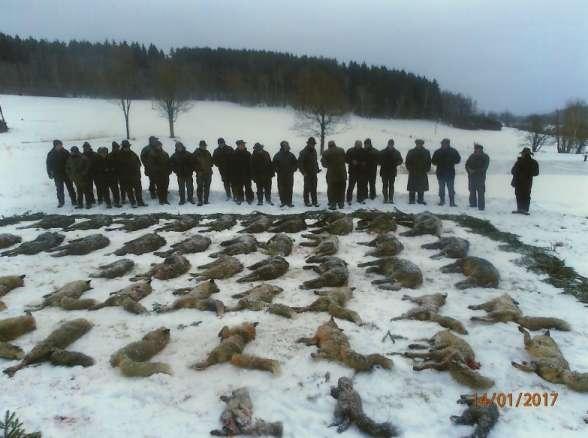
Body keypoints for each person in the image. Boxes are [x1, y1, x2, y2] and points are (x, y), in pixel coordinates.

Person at [46, 139, 77, 208]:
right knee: (59, 189)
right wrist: (49, 173)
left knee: (70, 188)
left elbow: (70, 161)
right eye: (59, 145)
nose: (61, 146)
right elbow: (48, 165)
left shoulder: (65, 152)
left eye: (61, 145)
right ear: (55, 146)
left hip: (66, 174)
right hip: (57, 174)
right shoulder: (51, 154)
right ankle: (61, 202)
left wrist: (71, 171)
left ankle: (74, 201)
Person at [432, 138, 461, 206]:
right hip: (440, 173)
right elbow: (433, 161)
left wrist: (451, 161)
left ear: (448, 144)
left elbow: (458, 160)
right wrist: (438, 162)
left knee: (451, 188)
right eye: (443, 143)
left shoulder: (453, 151)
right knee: (441, 188)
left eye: (445, 143)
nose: (444, 145)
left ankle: (452, 202)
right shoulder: (437, 152)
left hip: (450, 173)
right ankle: (442, 201)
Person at [511, 147, 539, 215]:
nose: (523, 155)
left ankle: (524, 209)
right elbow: (513, 171)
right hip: (521, 181)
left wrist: (526, 173)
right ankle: (521, 209)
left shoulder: (532, 162)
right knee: (521, 194)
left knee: (524, 195)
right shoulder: (520, 161)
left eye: (524, 154)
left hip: (525, 181)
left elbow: (536, 173)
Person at [321, 140, 347, 210]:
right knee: (341, 188)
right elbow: (345, 159)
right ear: (335, 144)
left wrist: (330, 165)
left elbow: (324, 164)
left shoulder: (326, 152)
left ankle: (333, 204)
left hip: (332, 174)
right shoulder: (341, 150)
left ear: (329, 145)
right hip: (342, 173)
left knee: (332, 189)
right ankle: (341, 203)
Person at [118, 140, 146, 207]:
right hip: (125, 176)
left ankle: (140, 202)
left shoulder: (133, 153)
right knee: (129, 190)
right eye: (125, 147)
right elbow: (118, 167)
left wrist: (138, 173)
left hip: (135, 176)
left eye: (128, 147)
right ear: (123, 147)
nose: (127, 148)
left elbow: (139, 163)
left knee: (138, 189)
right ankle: (133, 202)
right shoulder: (119, 155)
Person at [405, 139, 432, 205]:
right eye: (418, 144)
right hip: (413, 172)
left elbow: (429, 162)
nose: (419, 145)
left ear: (422, 144)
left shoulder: (426, 152)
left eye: (420, 144)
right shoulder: (411, 151)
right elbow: (407, 162)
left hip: (422, 172)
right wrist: (410, 169)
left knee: (421, 187)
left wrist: (427, 169)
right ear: (416, 144)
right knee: (412, 187)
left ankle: (420, 200)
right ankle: (411, 200)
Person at [272, 141, 298, 207]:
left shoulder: (291, 155)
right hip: (281, 175)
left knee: (289, 188)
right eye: (285, 145)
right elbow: (274, 164)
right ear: (282, 146)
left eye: (287, 145)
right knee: (281, 188)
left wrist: (293, 169)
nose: (286, 146)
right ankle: (283, 202)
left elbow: (296, 163)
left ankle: (289, 202)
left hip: (289, 175)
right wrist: (278, 170)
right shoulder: (277, 155)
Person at [465, 143, 490, 211]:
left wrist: (475, 171)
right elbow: (466, 164)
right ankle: (472, 204)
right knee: (472, 191)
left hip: (480, 177)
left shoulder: (485, 156)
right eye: (475, 149)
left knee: (481, 192)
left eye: (478, 149)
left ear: (481, 149)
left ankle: (481, 207)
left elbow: (484, 168)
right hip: (471, 177)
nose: (476, 150)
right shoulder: (472, 156)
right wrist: (469, 170)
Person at [379, 139, 403, 204]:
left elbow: (401, 160)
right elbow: (378, 160)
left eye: (392, 144)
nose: (390, 145)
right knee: (385, 185)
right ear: (388, 144)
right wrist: (382, 163)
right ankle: (385, 198)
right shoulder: (382, 152)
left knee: (391, 185)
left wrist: (396, 163)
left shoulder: (397, 152)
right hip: (384, 171)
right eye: (390, 144)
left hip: (392, 171)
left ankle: (391, 199)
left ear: (393, 144)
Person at [298, 137, 321, 207]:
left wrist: (317, 169)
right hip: (307, 173)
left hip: (314, 173)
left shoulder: (314, 151)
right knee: (307, 188)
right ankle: (306, 201)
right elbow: (300, 163)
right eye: (311, 144)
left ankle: (314, 201)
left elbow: (315, 161)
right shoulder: (303, 152)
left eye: (314, 144)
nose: (313, 145)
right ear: (308, 144)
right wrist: (303, 172)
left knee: (314, 187)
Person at [230, 140, 254, 205]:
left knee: (248, 187)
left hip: (247, 174)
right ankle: (240, 199)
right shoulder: (234, 154)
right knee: (239, 187)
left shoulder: (248, 154)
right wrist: (233, 175)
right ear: (238, 146)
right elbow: (232, 166)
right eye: (240, 145)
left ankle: (249, 199)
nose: (242, 146)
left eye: (243, 145)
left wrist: (251, 174)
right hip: (237, 175)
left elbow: (251, 165)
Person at [345, 140, 368, 205]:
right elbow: (346, 159)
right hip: (353, 171)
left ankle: (360, 199)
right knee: (351, 186)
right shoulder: (350, 150)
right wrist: (352, 161)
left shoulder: (364, 151)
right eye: (357, 144)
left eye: (360, 145)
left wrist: (364, 163)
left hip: (361, 171)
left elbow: (367, 160)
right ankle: (349, 199)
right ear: (355, 144)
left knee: (361, 186)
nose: (359, 146)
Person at [149, 141, 171, 205]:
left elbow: (168, 163)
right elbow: (151, 164)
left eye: (160, 145)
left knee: (165, 186)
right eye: (158, 146)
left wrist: (169, 170)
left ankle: (165, 199)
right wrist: (157, 169)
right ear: (155, 146)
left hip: (165, 173)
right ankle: (161, 200)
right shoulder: (152, 154)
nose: (159, 147)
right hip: (157, 174)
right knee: (159, 187)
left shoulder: (165, 154)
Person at [194, 140, 213, 206]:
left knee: (207, 187)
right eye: (202, 145)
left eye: (205, 145)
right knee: (200, 187)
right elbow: (192, 163)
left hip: (208, 173)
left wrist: (210, 166)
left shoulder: (208, 152)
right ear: (200, 146)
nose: (204, 147)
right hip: (200, 173)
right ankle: (200, 201)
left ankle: (206, 200)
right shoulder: (196, 153)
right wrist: (198, 169)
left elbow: (211, 162)